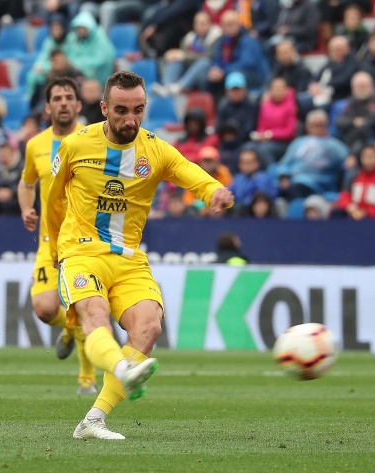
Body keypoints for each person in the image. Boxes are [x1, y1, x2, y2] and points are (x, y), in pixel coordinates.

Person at [46, 71, 234, 440]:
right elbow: (53, 202)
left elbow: (188, 171)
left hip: (129, 259)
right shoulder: (75, 146)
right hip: (82, 252)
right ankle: (122, 368)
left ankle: (93, 420)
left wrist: (213, 191)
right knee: (95, 317)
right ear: (104, 108)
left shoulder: (155, 150)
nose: (131, 120)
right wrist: (55, 249)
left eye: (138, 110)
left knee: (148, 327)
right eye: (121, 110)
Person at [17, 76, 97, 395]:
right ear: (48, 107)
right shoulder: (35, 145)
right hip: (49, 241)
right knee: (45, 309)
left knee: (82, 305)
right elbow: (26, 183)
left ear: (78, 105)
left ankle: (87, 379)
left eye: (68, 98)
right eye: (57, 98)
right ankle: (69, 329)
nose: (63, 103)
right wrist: (26, 208)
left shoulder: (94, 139)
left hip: (82, 241)